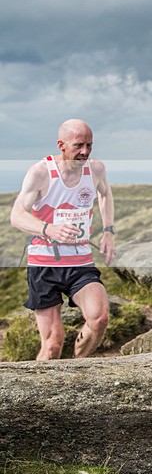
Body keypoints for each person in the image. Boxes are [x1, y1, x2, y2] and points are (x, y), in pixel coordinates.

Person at [10, 119, 116, 360]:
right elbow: (16, 216)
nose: (85, 152)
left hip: (80, 263)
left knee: (99, 319)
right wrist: (49, 229)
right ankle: (38, 392)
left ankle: (79, 366)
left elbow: (105, 194)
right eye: (79, 145)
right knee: (52, 345)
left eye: (89, 145)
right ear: (61, 145)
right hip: (44, 264)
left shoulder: (96, 169)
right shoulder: (40, 173)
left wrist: (109, 230)